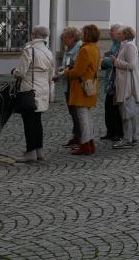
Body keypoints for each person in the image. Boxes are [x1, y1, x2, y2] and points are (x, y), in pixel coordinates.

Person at [12, 26, 55, 162]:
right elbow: (51, 75)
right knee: (37, 121)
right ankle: (39, 150)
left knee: (29, 122)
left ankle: (30, 151)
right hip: (43, 89)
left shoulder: (29, 49)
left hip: (29, 90)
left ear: (33, 35)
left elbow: (22, 72)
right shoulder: (48, 52)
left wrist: (14, 71)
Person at [64, 25, 101, 156]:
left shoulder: (85, 49)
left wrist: (67, 71)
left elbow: (78, 72)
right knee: (87, 116)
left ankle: (85, 145)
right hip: (90, 84)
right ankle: (89, 143)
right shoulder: (95, 48)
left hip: (81, 87)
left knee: (82, 117)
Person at [108, 26, 139, 148]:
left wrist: (115, 61)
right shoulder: (126, 45)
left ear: (125, 35)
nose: (117, 35)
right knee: (129, 111)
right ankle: (132, 137)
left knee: (127, 111)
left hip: (128, 83)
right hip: (124, 82)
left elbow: (131, 65)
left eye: (120, 33)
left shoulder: (129, 46)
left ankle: (128, 139)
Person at [54, 26, 82, 148]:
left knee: (77, 112)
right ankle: (76, 135)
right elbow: (66, 65)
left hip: (76, 84)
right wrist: (59, 71)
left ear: (72, 38)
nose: (64, 40)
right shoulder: (69, 48)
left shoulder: (79, 48)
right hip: (68, 84)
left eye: (65, 38)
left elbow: (72, 67)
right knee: (72, 112)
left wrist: (59, 74)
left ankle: (81, 138)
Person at [99, 23, 125, 144]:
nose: (109, 33)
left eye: (112, 31)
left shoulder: (121, 45)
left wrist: (104, 60)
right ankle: (110, 131)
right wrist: (106, 60)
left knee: (116, 109)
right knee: (108, 108)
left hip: (116, 81)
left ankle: (118, 132)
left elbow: (115, 61)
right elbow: (109, 58)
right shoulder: (114, 44)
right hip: (110, 80)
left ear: (119, 33)